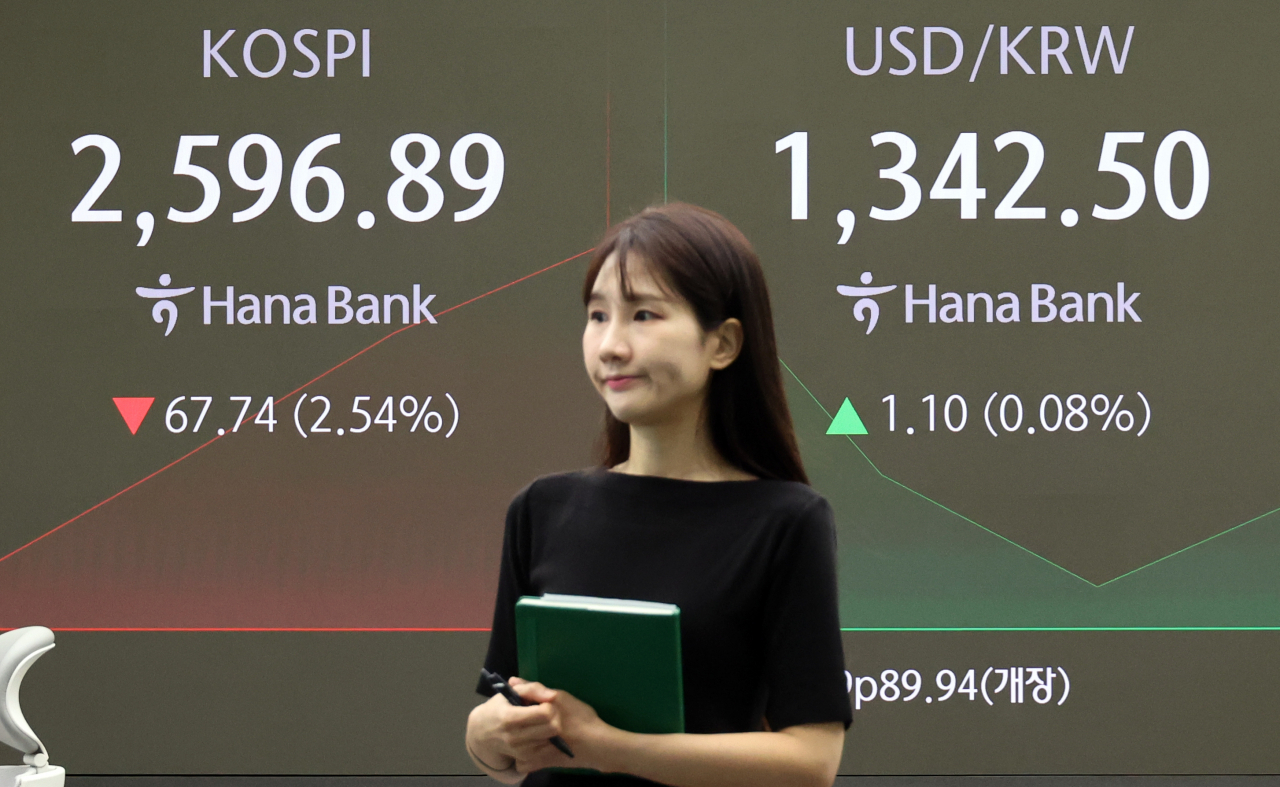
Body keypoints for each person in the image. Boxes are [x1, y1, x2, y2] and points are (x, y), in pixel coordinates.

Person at [464, 203, 851, 787]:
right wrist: (484, 740)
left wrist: (612, 747)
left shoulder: (786, 521)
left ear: (722, 343)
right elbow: (508, 734)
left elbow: (811, 760)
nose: (611, 346)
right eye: (597, 316)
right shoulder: (541, 510)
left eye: (643, 314)